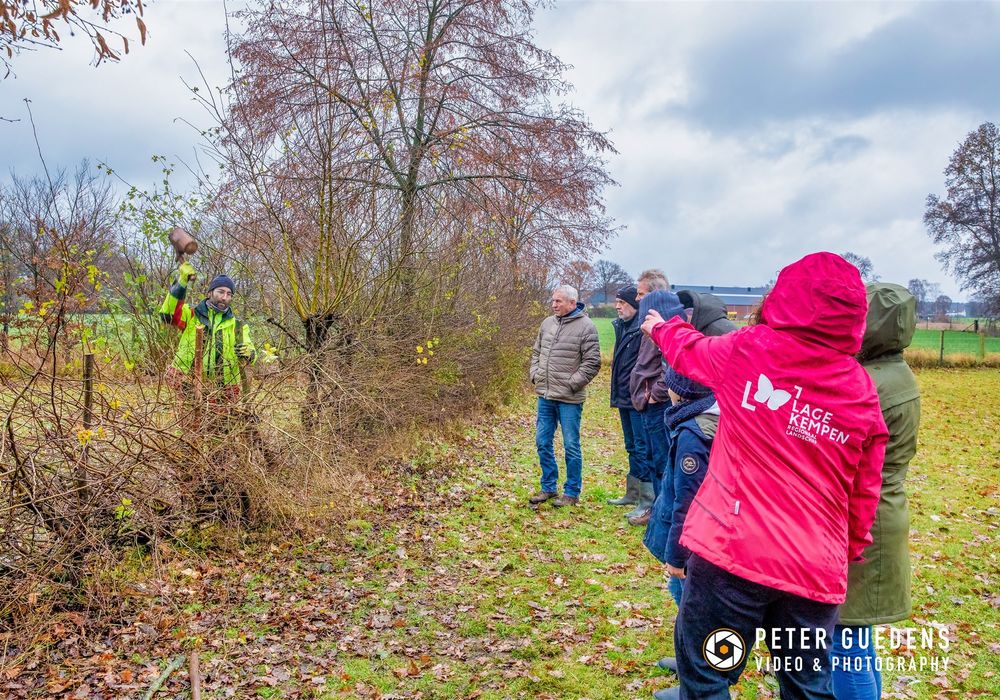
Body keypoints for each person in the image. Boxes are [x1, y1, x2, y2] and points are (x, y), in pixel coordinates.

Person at [641, 252, 888, 700]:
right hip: (813, 571)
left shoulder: (751, 350)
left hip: (731, 557)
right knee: (806, 686)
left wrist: (661, 324)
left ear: (786, 297)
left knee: (710, 674)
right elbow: (865, 491)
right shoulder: (860, 389)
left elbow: (689, 350)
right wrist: (845, 550)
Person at [832, 283, 921, 700]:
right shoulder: (893, 372)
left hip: (865, 519)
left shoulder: (869, 382)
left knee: (846, 640)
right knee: (855, 637)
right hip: (879, 512)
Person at [643, 367, 718, 682]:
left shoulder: (692, 433)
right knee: (687, 600)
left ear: (680, 392)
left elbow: (686, 502)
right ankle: (690, 657)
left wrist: (676, 555)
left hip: (692, 543)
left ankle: (699, 673)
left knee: (691, 603)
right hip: (701, 540)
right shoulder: (698, 420)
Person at [528, 285, 601, 507]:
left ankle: (571, 492)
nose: (553, 304)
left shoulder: (587, 327)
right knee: (542, 442)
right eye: (553, 301)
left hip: (570, 398)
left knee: (571, 445)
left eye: (558, 301)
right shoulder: (547, 323)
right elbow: (536, 352)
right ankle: (548, 487)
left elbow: (592, 362)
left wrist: (572, 383)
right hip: (546, 395)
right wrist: (535, 375)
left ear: (572, 303)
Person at [160, 260, 257, 400]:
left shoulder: (237, 326)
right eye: (221, 292)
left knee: (221, 422)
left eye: (229, 294)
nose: (225, 297)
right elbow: (167, 315)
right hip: (187, 383)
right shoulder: (191, 314)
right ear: (210, 292)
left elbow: (251, 353)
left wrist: (249, 353)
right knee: (190, 421)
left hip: (223, 389)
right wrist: (181, 282)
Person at [626, 270, 673, 525]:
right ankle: (655, 510)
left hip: (657, 406)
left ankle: (661, 514)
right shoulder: (648, 323)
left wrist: (654, 395)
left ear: (654, 295)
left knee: (662, 461)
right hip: (646, 403)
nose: (637, 298)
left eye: (641, 294)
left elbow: (670, 367)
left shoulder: (665, 325)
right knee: (654, 459)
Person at [607, 284, 652, 507]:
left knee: (643, 447)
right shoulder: (623, 326)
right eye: (617, 302)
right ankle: (632, 494)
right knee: (631, 446)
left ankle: (646, 499)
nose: (617, 307)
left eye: (622, 303)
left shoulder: (641, 329)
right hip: (624, 397)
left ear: (634, 305)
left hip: (638, 399)